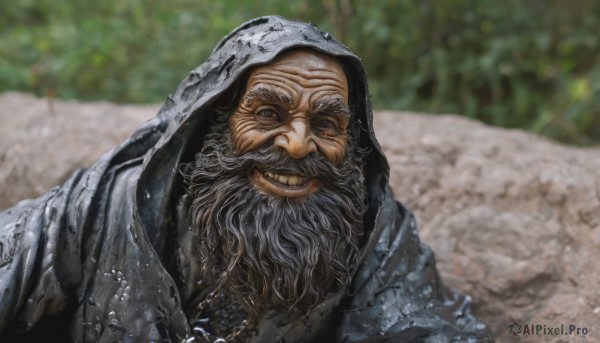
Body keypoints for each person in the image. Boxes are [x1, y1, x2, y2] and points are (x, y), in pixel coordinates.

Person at [0, 16, 493, 342]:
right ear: (214, 121)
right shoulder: (103, 207)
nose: (298, 143)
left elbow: (425, 330)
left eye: (326, 125)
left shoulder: (373, 231)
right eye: (268, 114)